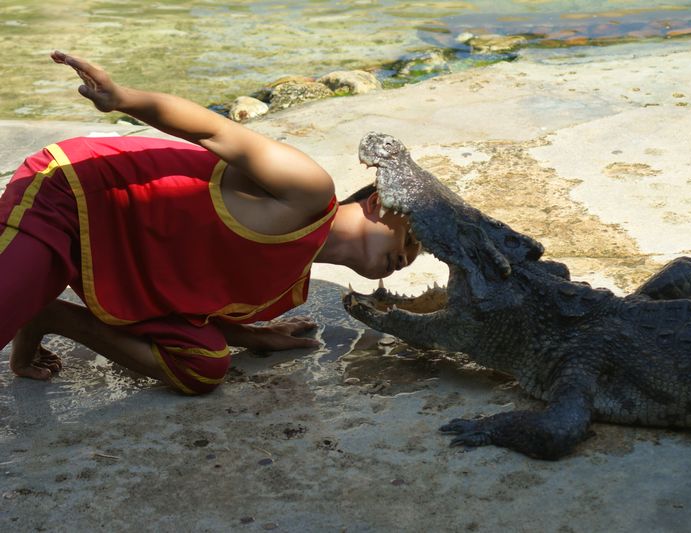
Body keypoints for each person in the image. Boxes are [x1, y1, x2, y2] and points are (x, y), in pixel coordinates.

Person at [0, 51, 420, 394]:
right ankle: (27, 303)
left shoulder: (289, 280)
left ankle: (46, 315)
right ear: (378, 203)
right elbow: (215, 131)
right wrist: (122, 98)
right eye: (414, 236)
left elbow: (191, 305)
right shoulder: (309, 189)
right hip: (70, 195)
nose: (410, 256)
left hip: (116, 254)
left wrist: (249, 337)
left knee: (202, 369)